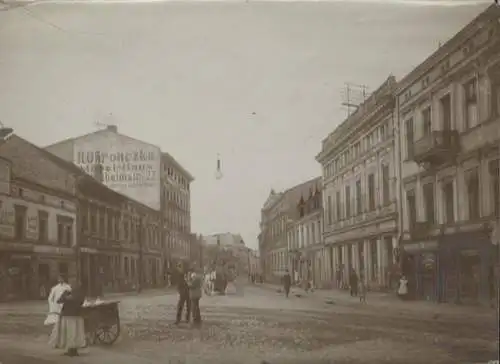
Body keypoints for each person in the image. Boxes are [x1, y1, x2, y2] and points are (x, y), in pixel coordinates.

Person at [49, 285, 85, 357]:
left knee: (72, 333)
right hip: (70, 315)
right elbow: (59, 301)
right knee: (71, 333)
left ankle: (73, 350)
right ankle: (71, 350)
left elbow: (81, 301)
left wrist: (69, 298)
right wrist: (66, 297)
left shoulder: (78, 293)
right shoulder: (67, 292)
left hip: (73, 315)